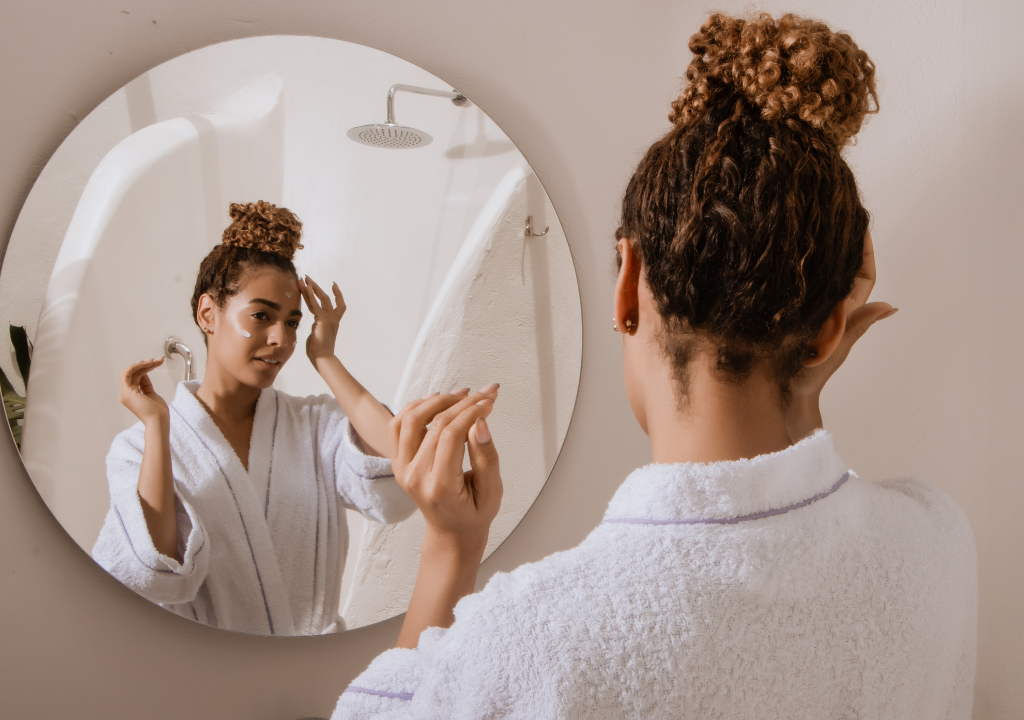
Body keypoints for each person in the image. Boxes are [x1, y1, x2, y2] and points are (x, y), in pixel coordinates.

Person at [333, 12, 977, 718]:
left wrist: (449, 552)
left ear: (627, 280)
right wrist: (802, 390)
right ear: (827, 329)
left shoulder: (533, 643)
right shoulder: (934, 542)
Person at [93, 201, 441, 635]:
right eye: (261, 316)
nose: (281, 339)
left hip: (316, 675)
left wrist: (326, 359)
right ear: (208, 314)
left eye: (292, 322)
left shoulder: (314, 424)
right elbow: (156, 571)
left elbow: (400, 480)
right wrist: (158, 426)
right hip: (205, 677)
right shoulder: (139, 447)